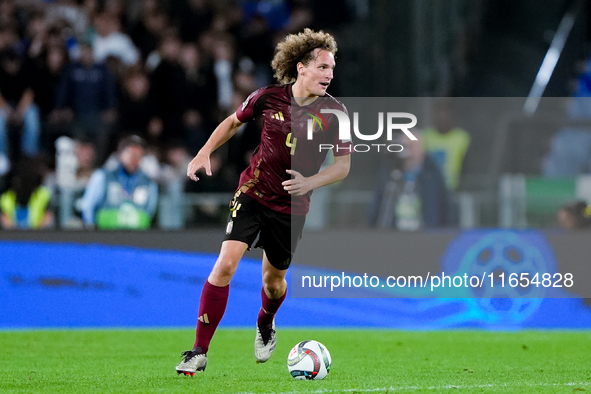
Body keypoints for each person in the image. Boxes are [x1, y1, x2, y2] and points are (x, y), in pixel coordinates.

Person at [176, 28, 351, 375]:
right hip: (253, 194)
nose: (329, 74)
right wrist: (203, 153)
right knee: (225, 265)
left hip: (291, 209)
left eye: (332, 68)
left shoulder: (336, 113)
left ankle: (266, 322)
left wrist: (310, 182)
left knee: (273, 283)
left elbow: (343, 166)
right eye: (323, 67)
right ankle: (198, 351)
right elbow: (232, 122)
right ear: (301, 67)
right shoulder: (267, 98)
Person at [368, 132, 450, 230]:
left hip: (426, 235)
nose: (409, 151)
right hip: (393, 234)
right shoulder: (389, 175)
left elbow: (445, 207)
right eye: (405, 146)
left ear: (422, 150)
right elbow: (377, 205)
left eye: (413, 146)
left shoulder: (433, 176)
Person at [80, 135, 158, 230]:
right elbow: (89, 206)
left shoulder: (149, 183)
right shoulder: (103, 177)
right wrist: (91, 230)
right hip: (106, 236)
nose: (134, 159)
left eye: (139, 155)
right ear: (121, 154)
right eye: (131, 154)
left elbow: (149, 211)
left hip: (137, 237)